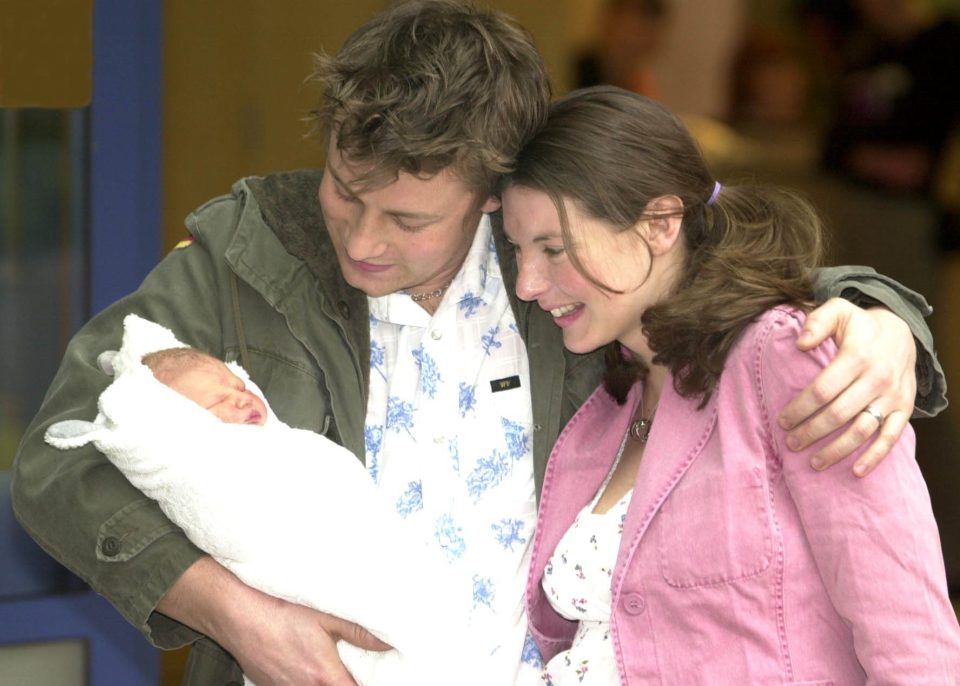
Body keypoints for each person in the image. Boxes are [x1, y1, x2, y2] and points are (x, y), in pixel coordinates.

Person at [9, 2, 946, 684]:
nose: (363, 240)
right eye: (346, 187)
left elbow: (692, 274)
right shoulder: (252, 253)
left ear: (496, 194)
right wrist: (243, 622)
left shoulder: (554, 277)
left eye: (410, 218)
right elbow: (56, 465)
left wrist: (880, 319)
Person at [503, 86, 960, 684]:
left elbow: (911, 635)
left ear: (661, 224)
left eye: (554, 249)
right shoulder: (603, 395)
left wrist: (892, 322)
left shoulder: (787, 357)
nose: (528, 284)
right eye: (517, 251)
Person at [42, 314, 505, 686]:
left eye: (238, 387)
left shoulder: (287, 445)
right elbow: (255, 530)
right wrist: (245, 620)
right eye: (216, 405)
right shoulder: (209, 471)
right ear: (180, 429)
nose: (241, 402)